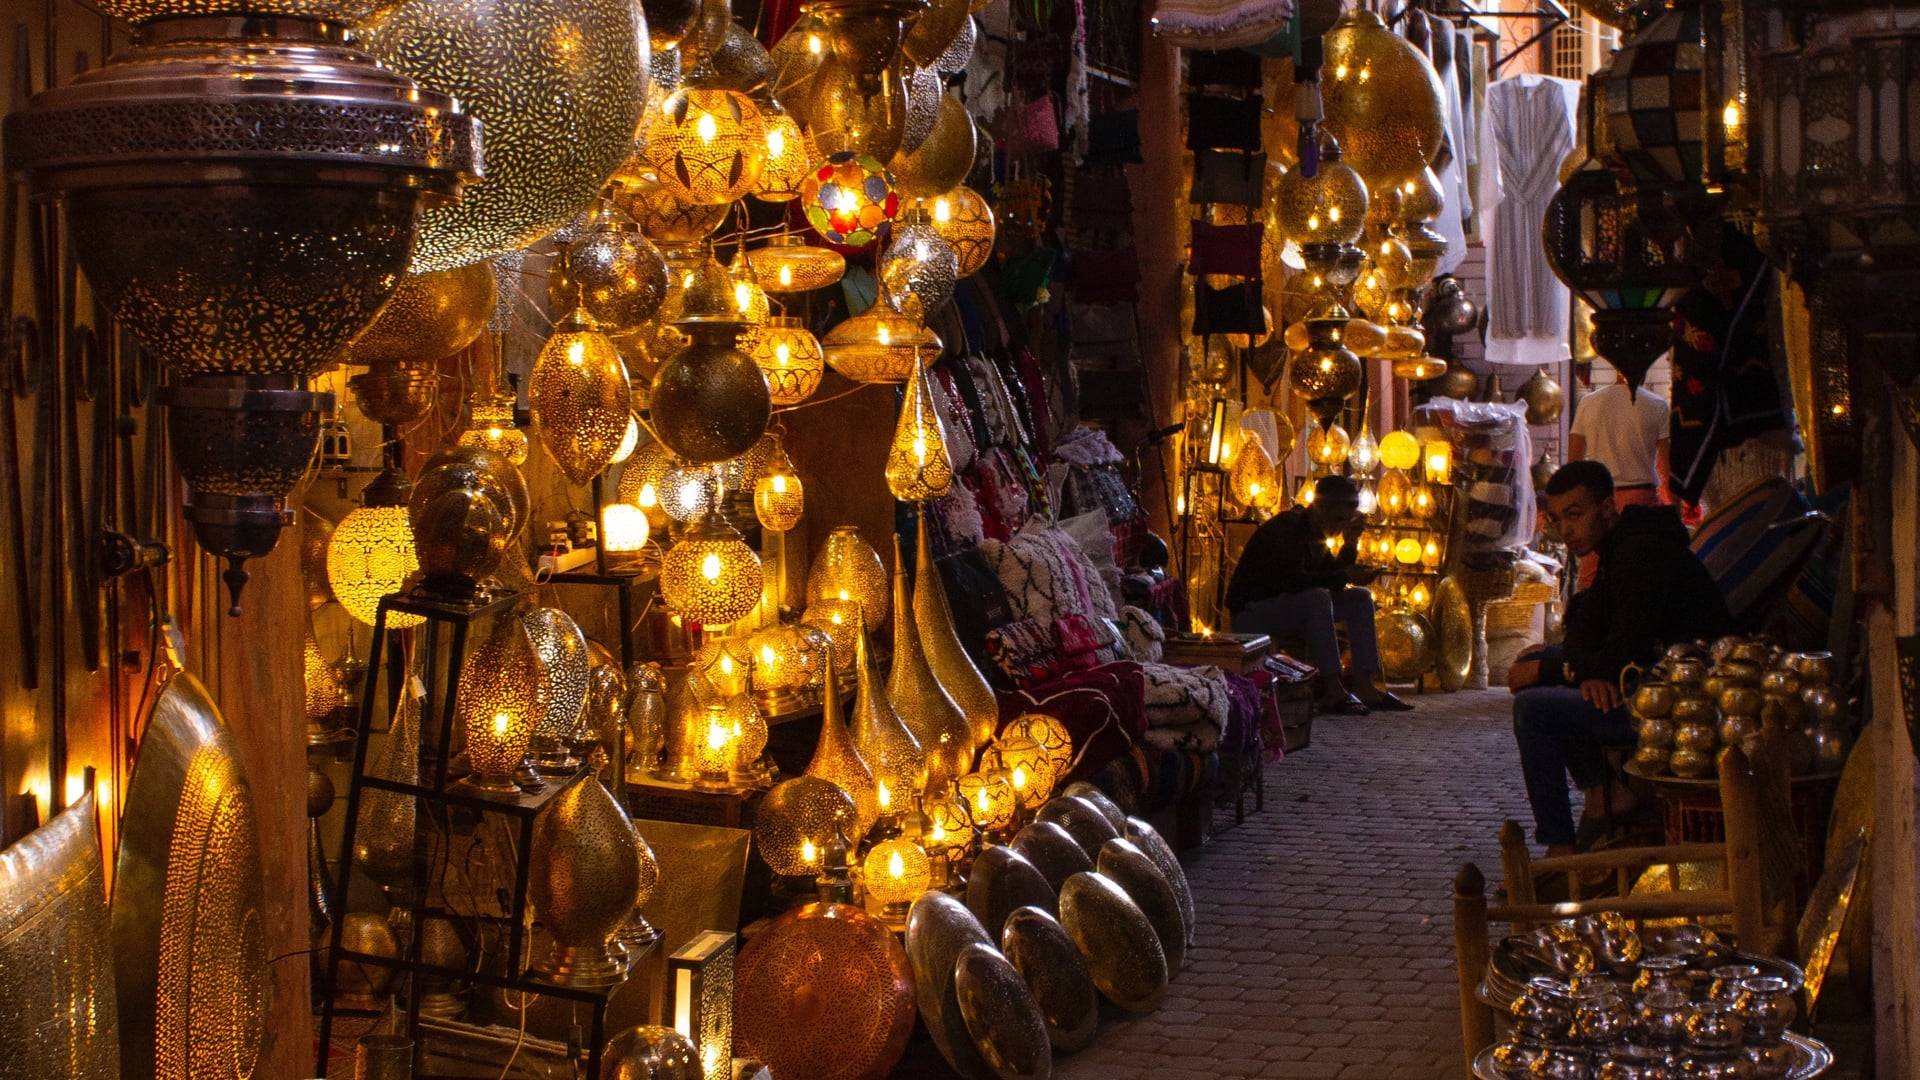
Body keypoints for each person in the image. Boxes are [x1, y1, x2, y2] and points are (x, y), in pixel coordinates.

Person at [1510, 461, 1730, 854]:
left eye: (1575, 515)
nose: (1566, 530)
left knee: (1534, 707)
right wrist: (1577, 669)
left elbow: (1619, 650)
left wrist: (1566, 669)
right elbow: (1584, 621)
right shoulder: (1615, 550)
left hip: (1679, 709)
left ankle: (1559, 845)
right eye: (1558, 519)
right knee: (1547, 662)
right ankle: (1602, 791)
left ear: (1608, 508)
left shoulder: (1640, 554)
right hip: (1639, 681)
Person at [1225, 475, 1413, 715]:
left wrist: (1350, 544)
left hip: (1291, 606)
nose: (1340, 527)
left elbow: (1331, 575)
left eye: (1347, 521)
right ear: (1319, 508)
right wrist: (1345, 575)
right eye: (1338, 519)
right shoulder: (1287, 528)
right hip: (1253, 612)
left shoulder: (1317, 534)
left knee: (1360, 598)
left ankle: (1365, 685)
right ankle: (1333, 688)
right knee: (1317, 598)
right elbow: (1295, 581)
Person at [1569, 377, 1670, 509]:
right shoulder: (1658, 405)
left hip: (1601, 501)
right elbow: (1667, 466)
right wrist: (1675, 509)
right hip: (1642, 500)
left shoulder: (1588, 402)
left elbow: (1573, 463)